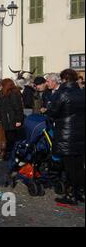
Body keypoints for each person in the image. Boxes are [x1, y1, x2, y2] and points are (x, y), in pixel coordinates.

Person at [47, 69, 85, 205]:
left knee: (69, 167)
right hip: (81, 133)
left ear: (63, 79)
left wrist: (49, 112)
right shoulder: (82, 92)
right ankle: (80, 192)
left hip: (66, 135)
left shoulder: (62, 94)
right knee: (79, 165)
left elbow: (52, 112)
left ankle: (71, 195)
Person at [0, 79, 24, 160]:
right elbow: (1, 103)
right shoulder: (6, 93)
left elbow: (18, 108)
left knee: (12, 139)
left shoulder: (13, 94)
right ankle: (10, 155)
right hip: (8, 120)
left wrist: (19, 120)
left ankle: (12, 155)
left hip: (12, 120)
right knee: (9, 138)